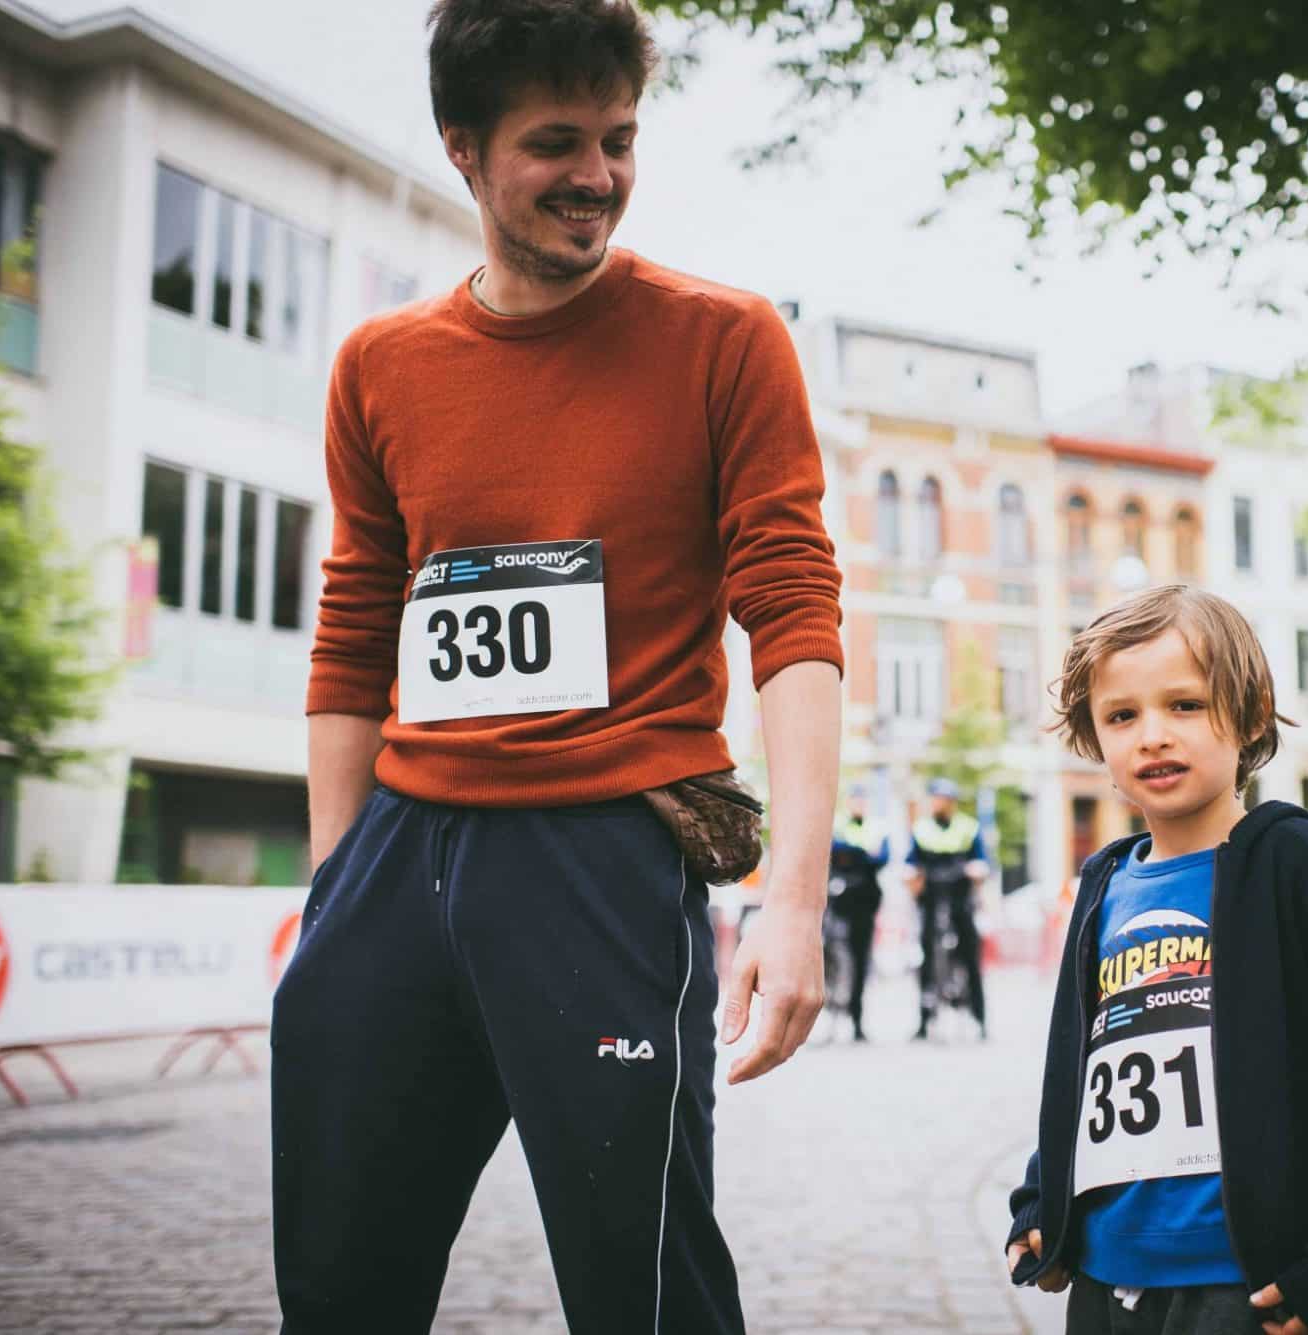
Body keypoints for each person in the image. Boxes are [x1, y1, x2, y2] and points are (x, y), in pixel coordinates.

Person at [270, 2, 843, 1331]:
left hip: (602, 852)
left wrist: (793, 902)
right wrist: (332, 887)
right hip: (399, 854)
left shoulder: (726, 338)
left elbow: (794, 611)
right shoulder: (381, 364)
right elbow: (355, 624)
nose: (598, 173)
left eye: (620, 138)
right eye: (556, 142)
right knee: (340, 1279)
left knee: (641, 1281)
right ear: (463, 149)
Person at [1003, 585, 1308, 1335]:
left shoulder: (1298, 866)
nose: (1153, 735)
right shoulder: (1103, 885)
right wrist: (1044, 1202)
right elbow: (1081, 1071)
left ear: (1251, 711)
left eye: (1186, 705)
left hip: (1243, 1282)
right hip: (1103, 1278)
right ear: (1094, 739)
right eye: (1122, 715)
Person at [906, 776, 990, 1041]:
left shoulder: (969, 828)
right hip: (931, 899)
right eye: (937, 798)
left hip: (959, 899)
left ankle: (979, 1019)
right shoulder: (921, 829)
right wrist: (909, 875)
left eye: (945, 799)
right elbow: (910, 862)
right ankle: (924, 1020)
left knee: (970, 957)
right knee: (927, 957)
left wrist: (979, 870)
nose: (940, 803)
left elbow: (983, 861)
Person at [828, 784, 888, 1041]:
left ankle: (857, 1020)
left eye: (863, 801)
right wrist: (862, 854)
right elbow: (830, 851)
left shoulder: (877, 828)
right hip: (838, 900)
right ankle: (829, 1013)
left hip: (865, 902)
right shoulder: (838, 825)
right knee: (828, 953)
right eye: (855, 800)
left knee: (861, 960)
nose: (859, 805)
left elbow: (882, 859)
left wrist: (850, 855)